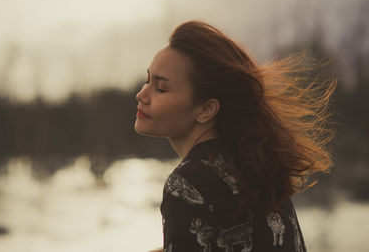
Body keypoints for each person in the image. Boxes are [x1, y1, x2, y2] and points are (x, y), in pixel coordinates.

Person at [134, 21, 335, 252]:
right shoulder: (257, 168)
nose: (141, 94)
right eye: (148, 80)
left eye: (161, 88)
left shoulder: (186, 184)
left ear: (206, 109)